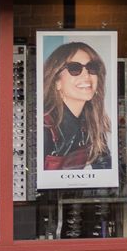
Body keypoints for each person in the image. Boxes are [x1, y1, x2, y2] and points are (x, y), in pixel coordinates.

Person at [42, 41, 114, 172]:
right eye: (74, 68)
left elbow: (106, 171)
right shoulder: (43, 126)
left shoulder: (92, 124)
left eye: (92, 68)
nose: (86, 75)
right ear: (56, 82)